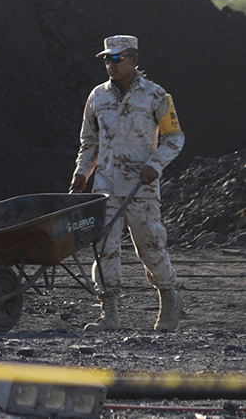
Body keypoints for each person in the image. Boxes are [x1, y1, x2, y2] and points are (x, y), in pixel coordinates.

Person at [69, 35, 185, 332]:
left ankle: (169, 299)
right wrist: (82, 172)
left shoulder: (156, 96)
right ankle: (109, 314)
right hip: (105, 186)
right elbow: (90, 142)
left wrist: (155, 164)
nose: (111, 64)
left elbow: (175, 137)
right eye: (107, 58)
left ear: (134, 60)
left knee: (149, 247)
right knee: (104, 246)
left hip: (141, 187)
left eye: (117, 58)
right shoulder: (97, 97)